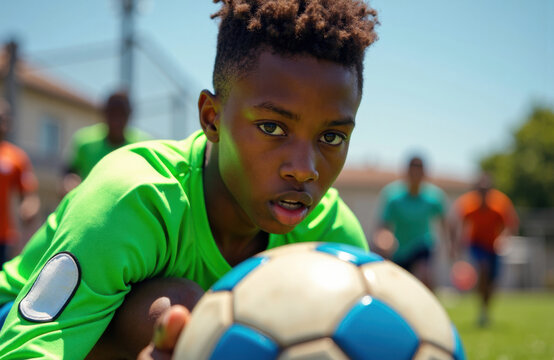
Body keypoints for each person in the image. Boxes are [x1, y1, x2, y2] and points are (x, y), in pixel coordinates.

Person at [0, 0, 379, 358]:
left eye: (332, 137)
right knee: (183, 310)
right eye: (271, 127)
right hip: (13, 321)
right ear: (212, 118)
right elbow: (23, 347)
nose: (304, 168)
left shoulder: (331, 235)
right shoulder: (136, 197)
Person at [448, 172, 519, 327]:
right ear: (476, 190)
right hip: (476, 243)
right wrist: (454, 245)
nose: (483, 193)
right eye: (480, 190)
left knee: (492, 281)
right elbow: (454, 222)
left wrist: (503, 238)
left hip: (494, 245)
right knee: (483, 269)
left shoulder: (500, 202)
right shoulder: (468, 204)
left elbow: (511, 224)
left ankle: (485, 310)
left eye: (486, 190)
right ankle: (481, 306)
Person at [373, 156, 448, 290]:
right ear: (406, 172)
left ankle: (430, 307)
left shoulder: (434, 197)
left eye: (419, 171)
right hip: (399, 249)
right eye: (412, 170)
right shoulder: (393, 196)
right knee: (400, 285)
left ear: (424, 173)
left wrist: (450, 246)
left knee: (425, 274)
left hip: (422, 245)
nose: (415, 175)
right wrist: (384, 241)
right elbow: (383, 227)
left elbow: (445, 222)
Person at [61, 90, 150, 194]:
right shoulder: (85, 142)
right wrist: (69, 182)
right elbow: (69, 173)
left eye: (122, 114)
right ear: (104, 114)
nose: (117, 120)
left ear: (129, 115)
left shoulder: (143, 146)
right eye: (112, 114)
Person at [0, 98, 40, 268]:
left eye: (2, 119)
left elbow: (29, 196)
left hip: (4, 238)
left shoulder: (16, 157)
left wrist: (29, 208)